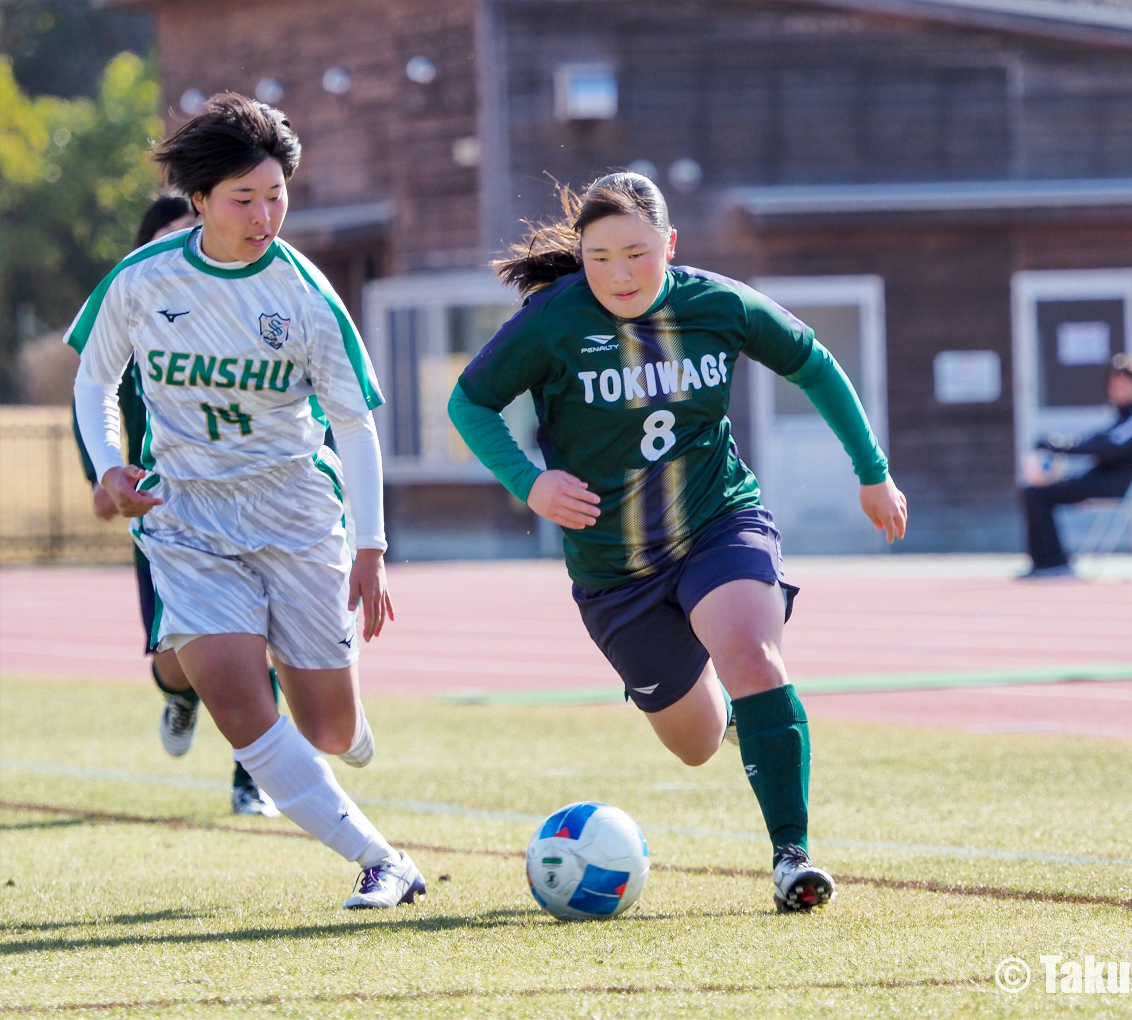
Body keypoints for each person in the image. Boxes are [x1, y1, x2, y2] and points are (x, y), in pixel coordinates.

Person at [448, 172, 908, 912]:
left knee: (753, 655)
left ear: (669, 244)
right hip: (613, 567)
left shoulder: (716, 303)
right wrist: (527, 482)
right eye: (599, 257)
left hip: (717, 521)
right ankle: (737, 721)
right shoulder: (551, 322)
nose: (620, 274)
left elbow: (812, 362)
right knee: (695, 742)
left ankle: (792, 855)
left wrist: (872, 472)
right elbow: (469, 401)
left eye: (636, 252)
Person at [66, 93, 423, 908]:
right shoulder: (142, 281)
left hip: (294, 510)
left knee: (331, 731)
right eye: (243, 199)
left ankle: (346, 719)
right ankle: (381, 861)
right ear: (199, 201)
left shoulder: (305, 296)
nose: (265, 215)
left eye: (276, 196)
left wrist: (370, 547)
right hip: (187, 515)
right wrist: (110, 465)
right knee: (229, 690)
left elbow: (353, 425)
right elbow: (96, 380)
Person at [73, 195, 281, 818]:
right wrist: (104, 476)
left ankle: (254, 779)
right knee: (178, 661)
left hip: (245, 507)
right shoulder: (133, 313)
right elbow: (92, 394)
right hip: (162, 514)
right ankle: (179, 692)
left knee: (253, 641)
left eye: (190, 231)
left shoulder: (246, 312)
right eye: (168, 235)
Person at [1018, 354, 1132, 579]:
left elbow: (1114, 445)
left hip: (1123, 484)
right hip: (1104, 478)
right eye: (1113, 383)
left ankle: (1054, 562)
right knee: (1034, 491)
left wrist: (1061, 446)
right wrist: (1059, 444)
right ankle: (1045, 562)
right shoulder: (1124, 414)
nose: (1116, 388)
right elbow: (1100, 438)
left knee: (1041, 494)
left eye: (1123, 383)